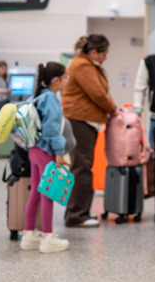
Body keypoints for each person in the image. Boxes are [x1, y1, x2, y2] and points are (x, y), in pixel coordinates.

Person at [62, 34, 117, 228]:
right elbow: (98, 94)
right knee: (82, 168)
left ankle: (76, 211)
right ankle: (77, 215)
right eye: (104, 54)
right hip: (80, 121)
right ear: (93, 52)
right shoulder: (83, 66)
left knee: (81, 166)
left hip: (83, 121)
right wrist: (113, 110)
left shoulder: (84, 64)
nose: (105, 58)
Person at [20, 62, 71, 253]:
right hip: (46, 151)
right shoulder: (51, 99)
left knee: (35, 192)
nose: (67, 81)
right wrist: (59, 152)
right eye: (65, 78)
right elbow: (52, 129)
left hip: (33, 150)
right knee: (48, 193)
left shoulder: (38, 96)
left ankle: (28, 234)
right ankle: (48, 236)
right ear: (56, 80)